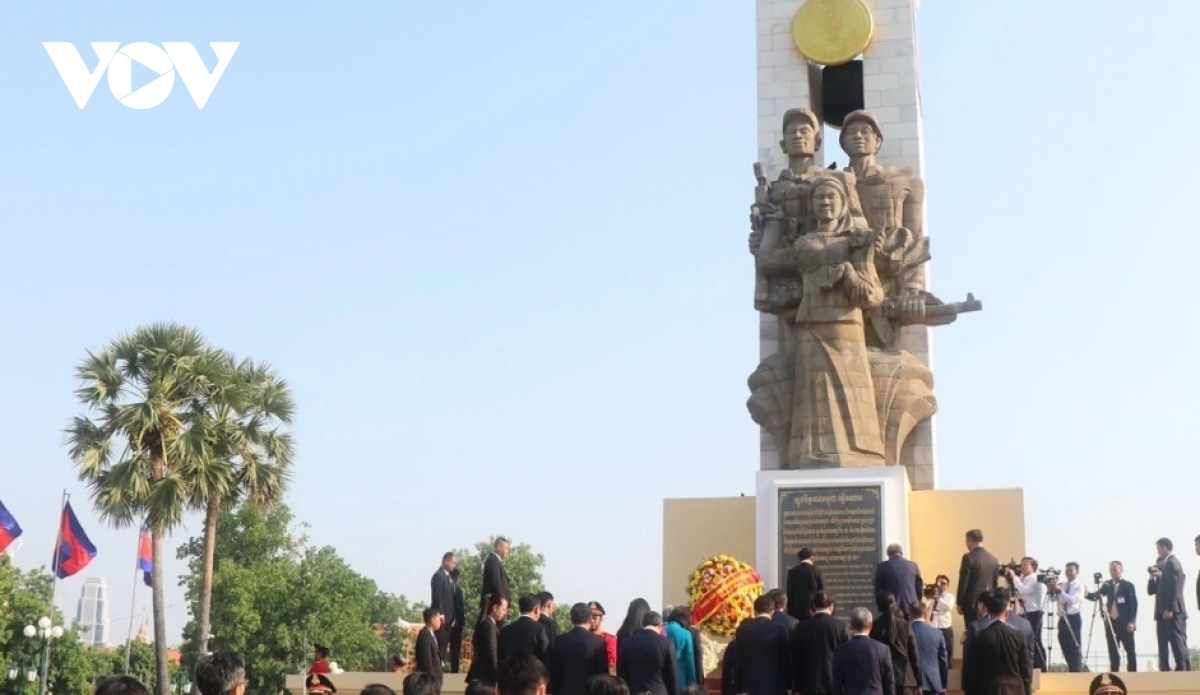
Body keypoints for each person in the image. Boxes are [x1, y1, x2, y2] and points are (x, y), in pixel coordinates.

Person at [961, 590, 1030, 695]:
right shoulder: (1018, 635)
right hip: (1015, 689)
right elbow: (1025, 667)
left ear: (987, 611)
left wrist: (968, 690)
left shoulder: (980, 636)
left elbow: (970, 668)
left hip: (987, 688)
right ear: (1006, 613)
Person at [790, 591, 849, 695]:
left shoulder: (801, 627)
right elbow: (847, 658)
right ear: (831, 606)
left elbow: (796, 659)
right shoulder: (841, 627)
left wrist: (796, 687)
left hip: (808, 685)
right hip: (834, 684)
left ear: (813, 606)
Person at [731, 595, 790, 695]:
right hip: (775, 686)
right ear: (772, 612)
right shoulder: (781, 630)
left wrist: (738, 687)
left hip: (750, 685)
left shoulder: (743, 630)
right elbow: (786, 660)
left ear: (755, 611)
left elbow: (738, 660)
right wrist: (789, 686)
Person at [1086, 561, 1137, 672]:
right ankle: (1114, 671)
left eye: (1115, 570)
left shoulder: (1128, 586)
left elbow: (1133, 604)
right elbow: (1097, 596)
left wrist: (1131, 621)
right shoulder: (1107, 585)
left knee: (1130, 648)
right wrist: (1085, 593)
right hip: (1111, 622)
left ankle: (1132, 672)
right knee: (1113, 649)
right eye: (1111, 570)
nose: (1113, 572)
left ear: (1121, 571)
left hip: (1125, 622)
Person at [1148, 537, 1190, 671]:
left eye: (1159, 548)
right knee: (1164, 641)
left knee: (1176, 640)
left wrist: (1169, 608)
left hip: (1172, 610)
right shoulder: (1166, 565)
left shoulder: (1172, 563)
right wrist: (1153, 576)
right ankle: (1165, 667)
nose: (1157, 551)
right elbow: (1152, 590)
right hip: (1162, 611)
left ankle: (1181, 667)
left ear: (1165, 547)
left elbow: (1174, 588)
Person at [551, 603, 611, 695]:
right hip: (589, 691)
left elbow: (554, 672)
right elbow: (602, 674)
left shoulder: (559, 641)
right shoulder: (598, 642)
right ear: (590, 619)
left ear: (571, 619)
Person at [831, 607, 894, 695]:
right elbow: (889, 683)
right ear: (871, 625)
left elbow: (837, 684)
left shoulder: (840, 650)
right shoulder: (883, 650)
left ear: (851, 625)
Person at [868, 592, 919, 695]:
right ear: (895, 603)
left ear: (878, 606)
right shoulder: (905, 625)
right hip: (905, 678)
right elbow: (914, 654)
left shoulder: (875, 626)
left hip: (883, 679)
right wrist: (919, 681)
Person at [617, 611, 678, 695]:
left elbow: (621, 674)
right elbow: (672, 677)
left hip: (633, 691)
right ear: (660, 625)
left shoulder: (626, 643)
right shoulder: (667, 644)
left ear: (643, 624)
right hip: (659, 691)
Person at [1007, 557, 1045, 670]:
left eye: (1025, 565)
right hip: (1023, 612)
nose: (1022, 567)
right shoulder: (1023, 579)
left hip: (1033, 613)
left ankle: (1040, 667)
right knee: (1024, 640)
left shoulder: (1035, 579)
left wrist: (1014, 577)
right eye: (1021, 564)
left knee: (1035, 640)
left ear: (1033, 567)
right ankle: (1028, 665)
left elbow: (1023, 590)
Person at [1046, 562, 1085, 672]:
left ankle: (1076, 668)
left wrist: (1059, 591)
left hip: (1073, 617)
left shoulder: (1080, 586)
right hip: (1062, 617)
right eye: (1067, 570)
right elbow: (1053, 600)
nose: (1068, 573)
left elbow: (1072, 600)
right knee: (1063, 642)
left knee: (1075, 644)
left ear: (1077, 572)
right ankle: (1070, 666)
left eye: (1071, 570)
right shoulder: (1063, 584)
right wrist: (1051, 590)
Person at [499, 594, 551, 668]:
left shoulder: (506, 629)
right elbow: (545, 656)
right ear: (536, 609)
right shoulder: (540, 630)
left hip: (509, 676)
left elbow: (501, 656)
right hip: (531, 676)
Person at [956, 529, 998, 618]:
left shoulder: (968, 557)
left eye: (966, 541)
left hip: (972, 604)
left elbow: (964, 581)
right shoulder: (994, 559)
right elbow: (995, 583)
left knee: (973, 629)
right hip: (988, 603)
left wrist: (960, 603)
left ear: (970, 540)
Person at [469, 594, 509, 685]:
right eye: (503, 609)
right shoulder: (489, 626)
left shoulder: (488, 624)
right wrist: (496, 673)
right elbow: (492, 652)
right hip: (485, 677)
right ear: (495, 608)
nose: (505, 613)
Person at [908, 602, 946, 695]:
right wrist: (943, 685)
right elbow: (943, 661)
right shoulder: (938, 633)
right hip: (934, 683)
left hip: (911, 684)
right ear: (925, 615)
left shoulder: (904, 633)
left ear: (909, 615)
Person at [874, 544, 922, 614]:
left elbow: (879, 591)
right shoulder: (914, 566)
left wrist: (880, 608)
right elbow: (919, 589)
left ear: (888, 554)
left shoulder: (882, 567)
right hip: (911, 608)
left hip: (891, 609)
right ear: (902, 553)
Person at [925, 575, 955, 669]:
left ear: (947, 585)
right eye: (938, 583)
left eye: (943, 583)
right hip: (933, 627)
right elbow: (924, 608)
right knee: (934, 652)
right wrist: (929, 597)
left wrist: (938, 599)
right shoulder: (931, 596)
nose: (940, 585)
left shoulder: (949, 596)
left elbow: (948, 607)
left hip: (945, 627)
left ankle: (948, 671)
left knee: (948, 651)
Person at [664, 607, 698, 689]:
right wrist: (693, 683)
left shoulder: (661, 630)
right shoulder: (686, 634)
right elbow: (689, 660)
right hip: (679, 676)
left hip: (663, 675)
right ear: (684, 619)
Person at [431, 552, 458, 658]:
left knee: (444, 646)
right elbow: (437, 596)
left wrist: (453, 616)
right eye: (453, 563)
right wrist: (440, 613)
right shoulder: (438, 576)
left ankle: (440, 665)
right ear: (446, 561)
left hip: (449, 619)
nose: (454, 566)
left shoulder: (449, 578)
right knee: (439, 644)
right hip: (441, 618)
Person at [787, 547, 825, 621]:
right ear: (812, 558)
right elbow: (822, 593)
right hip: (813, 613)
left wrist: (789, 612)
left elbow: (790, 594)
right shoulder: (817, 571)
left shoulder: (792, 572)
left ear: (799, 559)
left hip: (795, 613)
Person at [416, 608, 445, 683]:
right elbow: (426, 659)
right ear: (433, 620)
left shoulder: (431, 635)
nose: (440, 622)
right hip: (430, 682)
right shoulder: (425, 635)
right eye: (439, 619)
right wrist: (430, 680)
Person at [482, 537, 512, 611]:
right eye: (506, 548)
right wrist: (500, 600)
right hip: (495, 604)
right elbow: (495, 582)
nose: (507, 551)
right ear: (499, 547)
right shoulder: (493, 561)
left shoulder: (497, 561)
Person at [588, 601, 618, 672]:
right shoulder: (581, 638)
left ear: (601, 619)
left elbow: (612, 664)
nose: (592, 620)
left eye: (594, 617)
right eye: (589, 618)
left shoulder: (609, 639)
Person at [450, 568, 467, 672]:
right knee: (454, 651)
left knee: (453, 651)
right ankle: (454, 670)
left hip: (451, 625)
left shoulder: (456, 589)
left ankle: (454, 670)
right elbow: (460, 607)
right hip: (452, 625)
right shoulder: (457, 590)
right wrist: (462, 623)